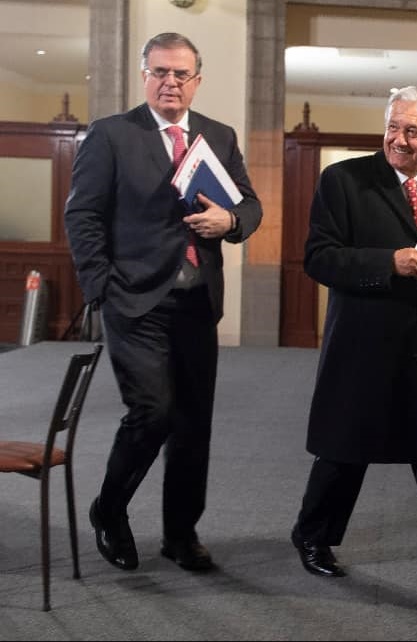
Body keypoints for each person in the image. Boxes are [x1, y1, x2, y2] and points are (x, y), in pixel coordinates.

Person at [290, 86, 417, 624]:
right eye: (393, 127)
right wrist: (389, 262)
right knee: (343, 453)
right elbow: (319, 258)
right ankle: (312, 537)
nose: (398, 140)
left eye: (412, 131)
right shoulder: (344, 180)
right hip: (365, 346)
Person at [64, 32, 262, 573]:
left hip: (197, 300)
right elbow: (81, 216)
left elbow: (248, 202)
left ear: (197, 80)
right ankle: (110, 509)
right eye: (159, 72)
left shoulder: (218, 136)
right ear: (144, 76)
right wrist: (100, 289)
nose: (170, 82)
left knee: (194, 423)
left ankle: (180, 534)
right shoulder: (110, 135)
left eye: (180, 74)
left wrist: (232, 221)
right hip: (134, 300)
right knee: (152, 412)